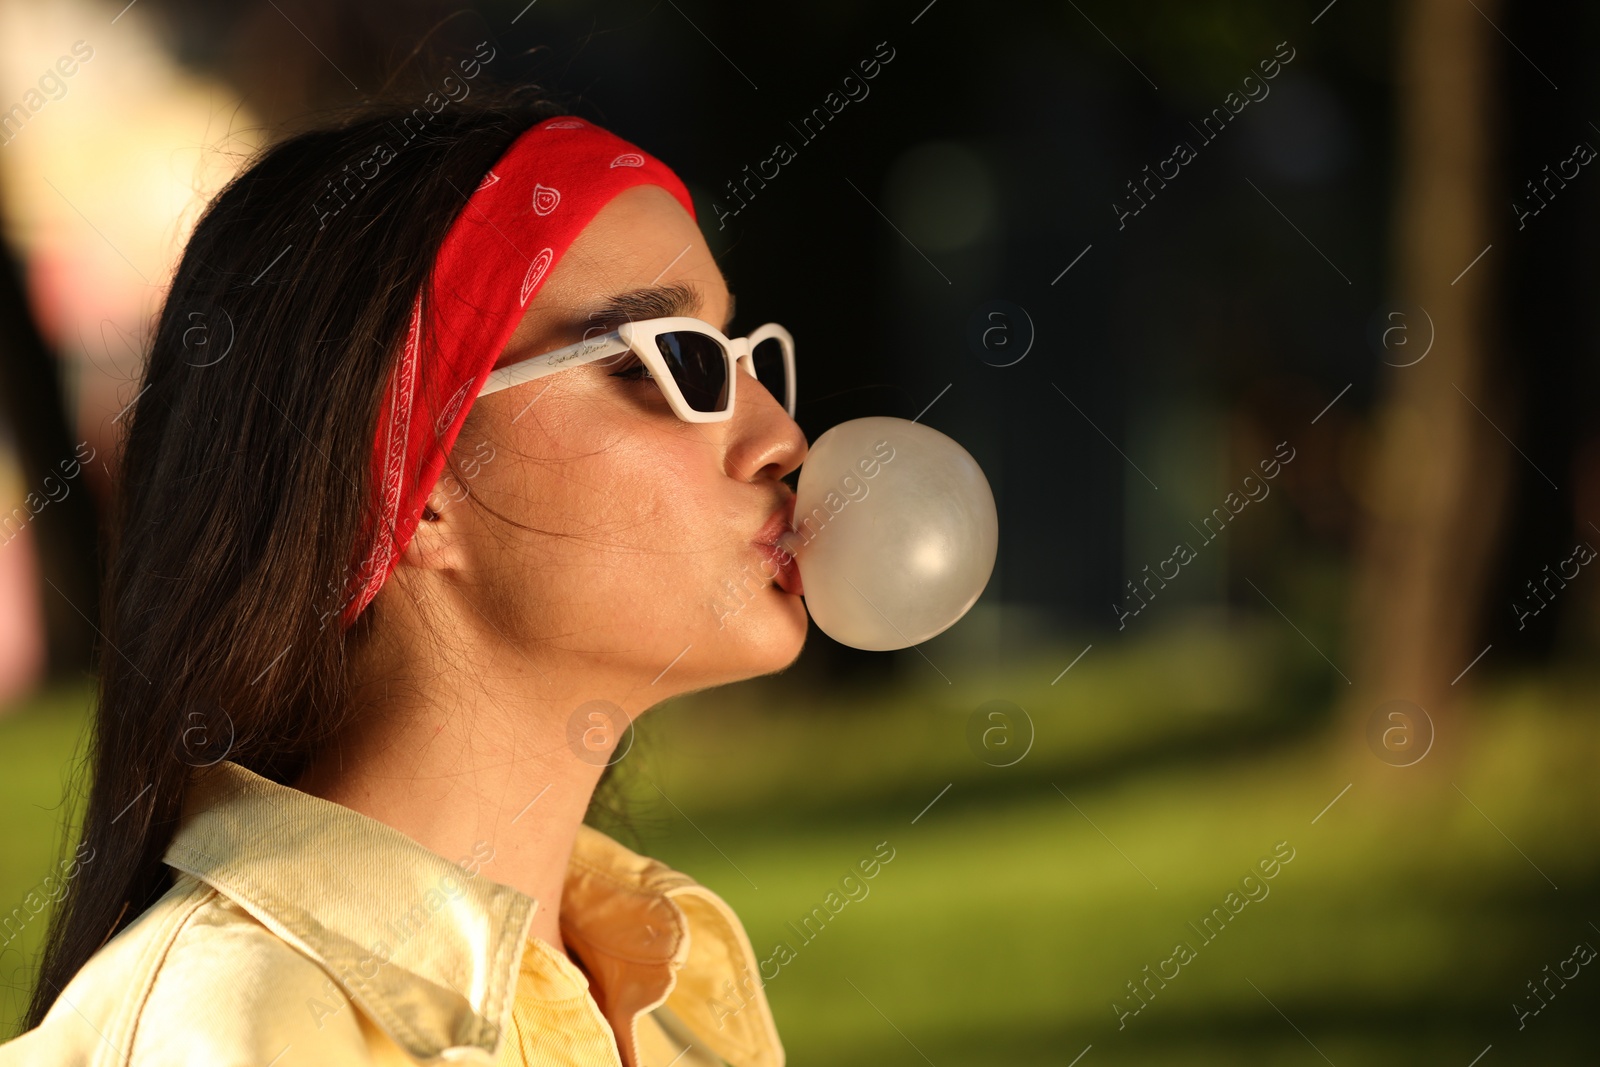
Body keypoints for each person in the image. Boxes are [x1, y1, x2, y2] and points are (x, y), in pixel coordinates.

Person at [2, 80, 805, 1066]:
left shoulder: (664, 981)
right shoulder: (239, 1024)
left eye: (743, 354)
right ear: (413, 480)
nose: (779, 436)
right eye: (671, 359)